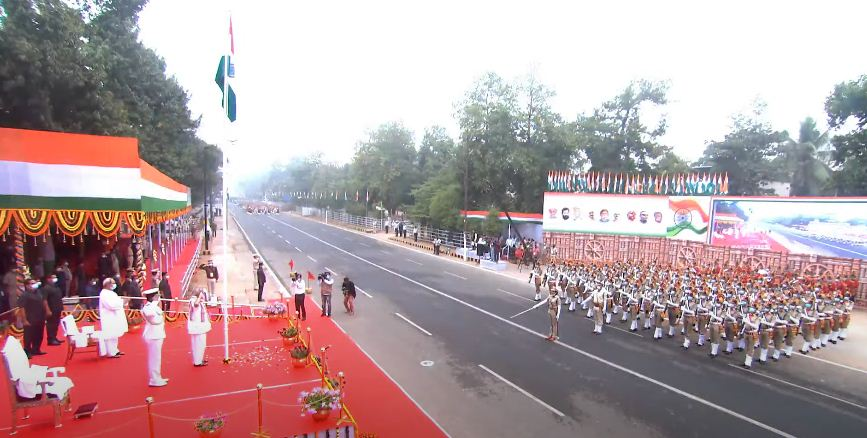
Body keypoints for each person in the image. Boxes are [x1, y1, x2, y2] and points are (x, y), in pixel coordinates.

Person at [141, 288, 168, 387]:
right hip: (153, 335)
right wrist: (155, 305)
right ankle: (154, 379)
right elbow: (152, 317)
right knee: (154, 358)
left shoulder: (154, 306)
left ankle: (158, 377)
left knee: (157, 358)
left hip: (157, 334)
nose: (159, 297)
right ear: (153, 297)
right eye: (157, 296)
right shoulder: (148, 307)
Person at [18, 278, 50, 358]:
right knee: (28, 336)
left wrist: (46, 311)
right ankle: (27, 352)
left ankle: (36, 349)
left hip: (40, 317)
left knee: (39, 335)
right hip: (30, 318)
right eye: (32, 283)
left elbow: (43, 302)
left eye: (34, 283)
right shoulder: (24, 295)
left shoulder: (38, 292)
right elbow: (22, 308)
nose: (34, 285)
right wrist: (24, 320)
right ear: (27, 285)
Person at [99, 277, 127, 358]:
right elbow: (111, 305)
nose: (114, 285)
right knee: (110, 335)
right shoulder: (104, 294)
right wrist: (122, 302)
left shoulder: (111, 293)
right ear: (107, 284)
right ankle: (110, 353)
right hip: (109, 318)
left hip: (114, 317)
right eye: (113, 283)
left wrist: (122, 301)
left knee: (115, 334)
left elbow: (117, 301)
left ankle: (115, 350)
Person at [187, 288, 211, 367]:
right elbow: (196, 305)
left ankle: (198, 359)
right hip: (198, 327)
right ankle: (198, 362)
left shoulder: (195, 300)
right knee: (200, 344)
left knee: (197, 344)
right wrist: (200, 296)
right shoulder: (194, 300)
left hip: (197, 326)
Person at [41, 274, 64, 346]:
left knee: (56, 324)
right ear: (48, 279)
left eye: (55, 277)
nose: (55, 279)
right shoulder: (46, 288)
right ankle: (51, 339)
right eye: (53, 277)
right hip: (51, 309)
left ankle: (54, 337)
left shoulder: (56, 287)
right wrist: (47, 310)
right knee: (51, 324)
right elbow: (44, 300)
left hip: (58, 308)